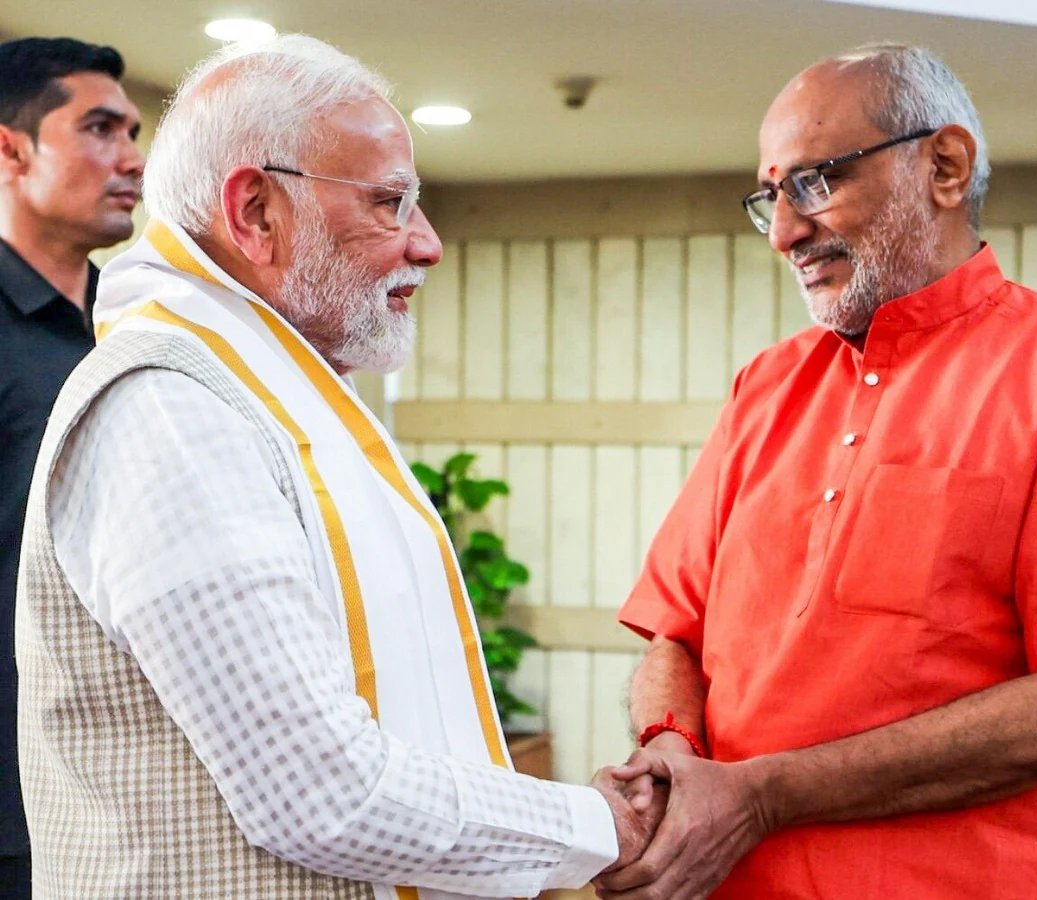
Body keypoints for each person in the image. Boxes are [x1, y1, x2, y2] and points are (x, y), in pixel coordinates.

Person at [15, 35, 653, 899]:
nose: (427, 244)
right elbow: (317, 790)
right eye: (392, 203)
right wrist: (594, 825)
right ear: (256, 212)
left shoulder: (279, 389)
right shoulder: (170, 408)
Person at [601, 43, 1037, 900]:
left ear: (944, 167)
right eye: (771, 197)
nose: (784, 233)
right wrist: (670, 755)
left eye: (814, 183)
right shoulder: (767, 383)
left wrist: (764, 796)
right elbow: (673, 637)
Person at [0, 36, 143, 900]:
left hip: (122, 794)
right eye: (98, 128)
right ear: (11, 149)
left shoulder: (140, 332)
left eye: (132, 132)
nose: (132, 159)